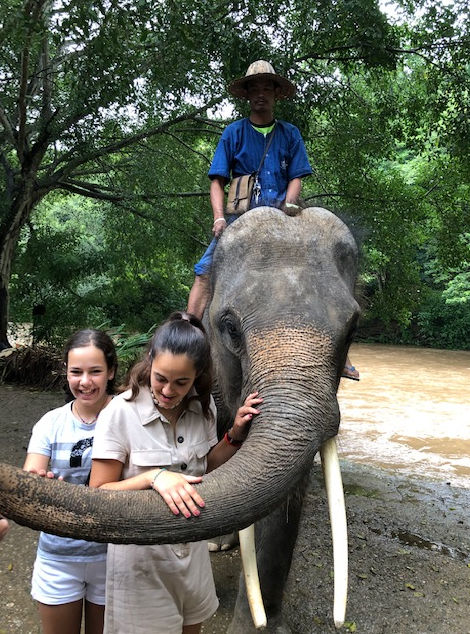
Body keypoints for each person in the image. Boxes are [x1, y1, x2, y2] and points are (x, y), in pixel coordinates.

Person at [89, 311, 262, 634]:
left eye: (181, 382)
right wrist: (153, 477)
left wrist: (235, 434)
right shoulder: (119, 412)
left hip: (191, 550)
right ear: (150, 362)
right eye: (160, 378)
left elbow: (207, 466)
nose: (168, 390)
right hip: (140, 561)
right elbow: (98, 493)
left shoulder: (203, 406)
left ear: (197, 376)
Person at [187, 59, 359, 381]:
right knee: (203, 273)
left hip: (282, 217)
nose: (261, 94)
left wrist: (291, 206)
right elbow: (216, 180)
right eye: (255, 89)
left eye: (267, 88)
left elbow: (296, 176)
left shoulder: (289, 134)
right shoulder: (233, 133)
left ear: (277, 94)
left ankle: (340, 353)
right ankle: (188, 337)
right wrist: (219, 218)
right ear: (247, 95)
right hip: (240, 220)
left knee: (325, 271)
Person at [23, 329, 118, 634]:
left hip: (114, 558)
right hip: (58, 557)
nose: (85, 381)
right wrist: (38, 483)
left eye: (95, 372)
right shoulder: (51, 423)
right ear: (65, 372)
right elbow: (30, 478)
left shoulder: (129, 416)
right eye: (76, 372)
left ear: (111, 371)